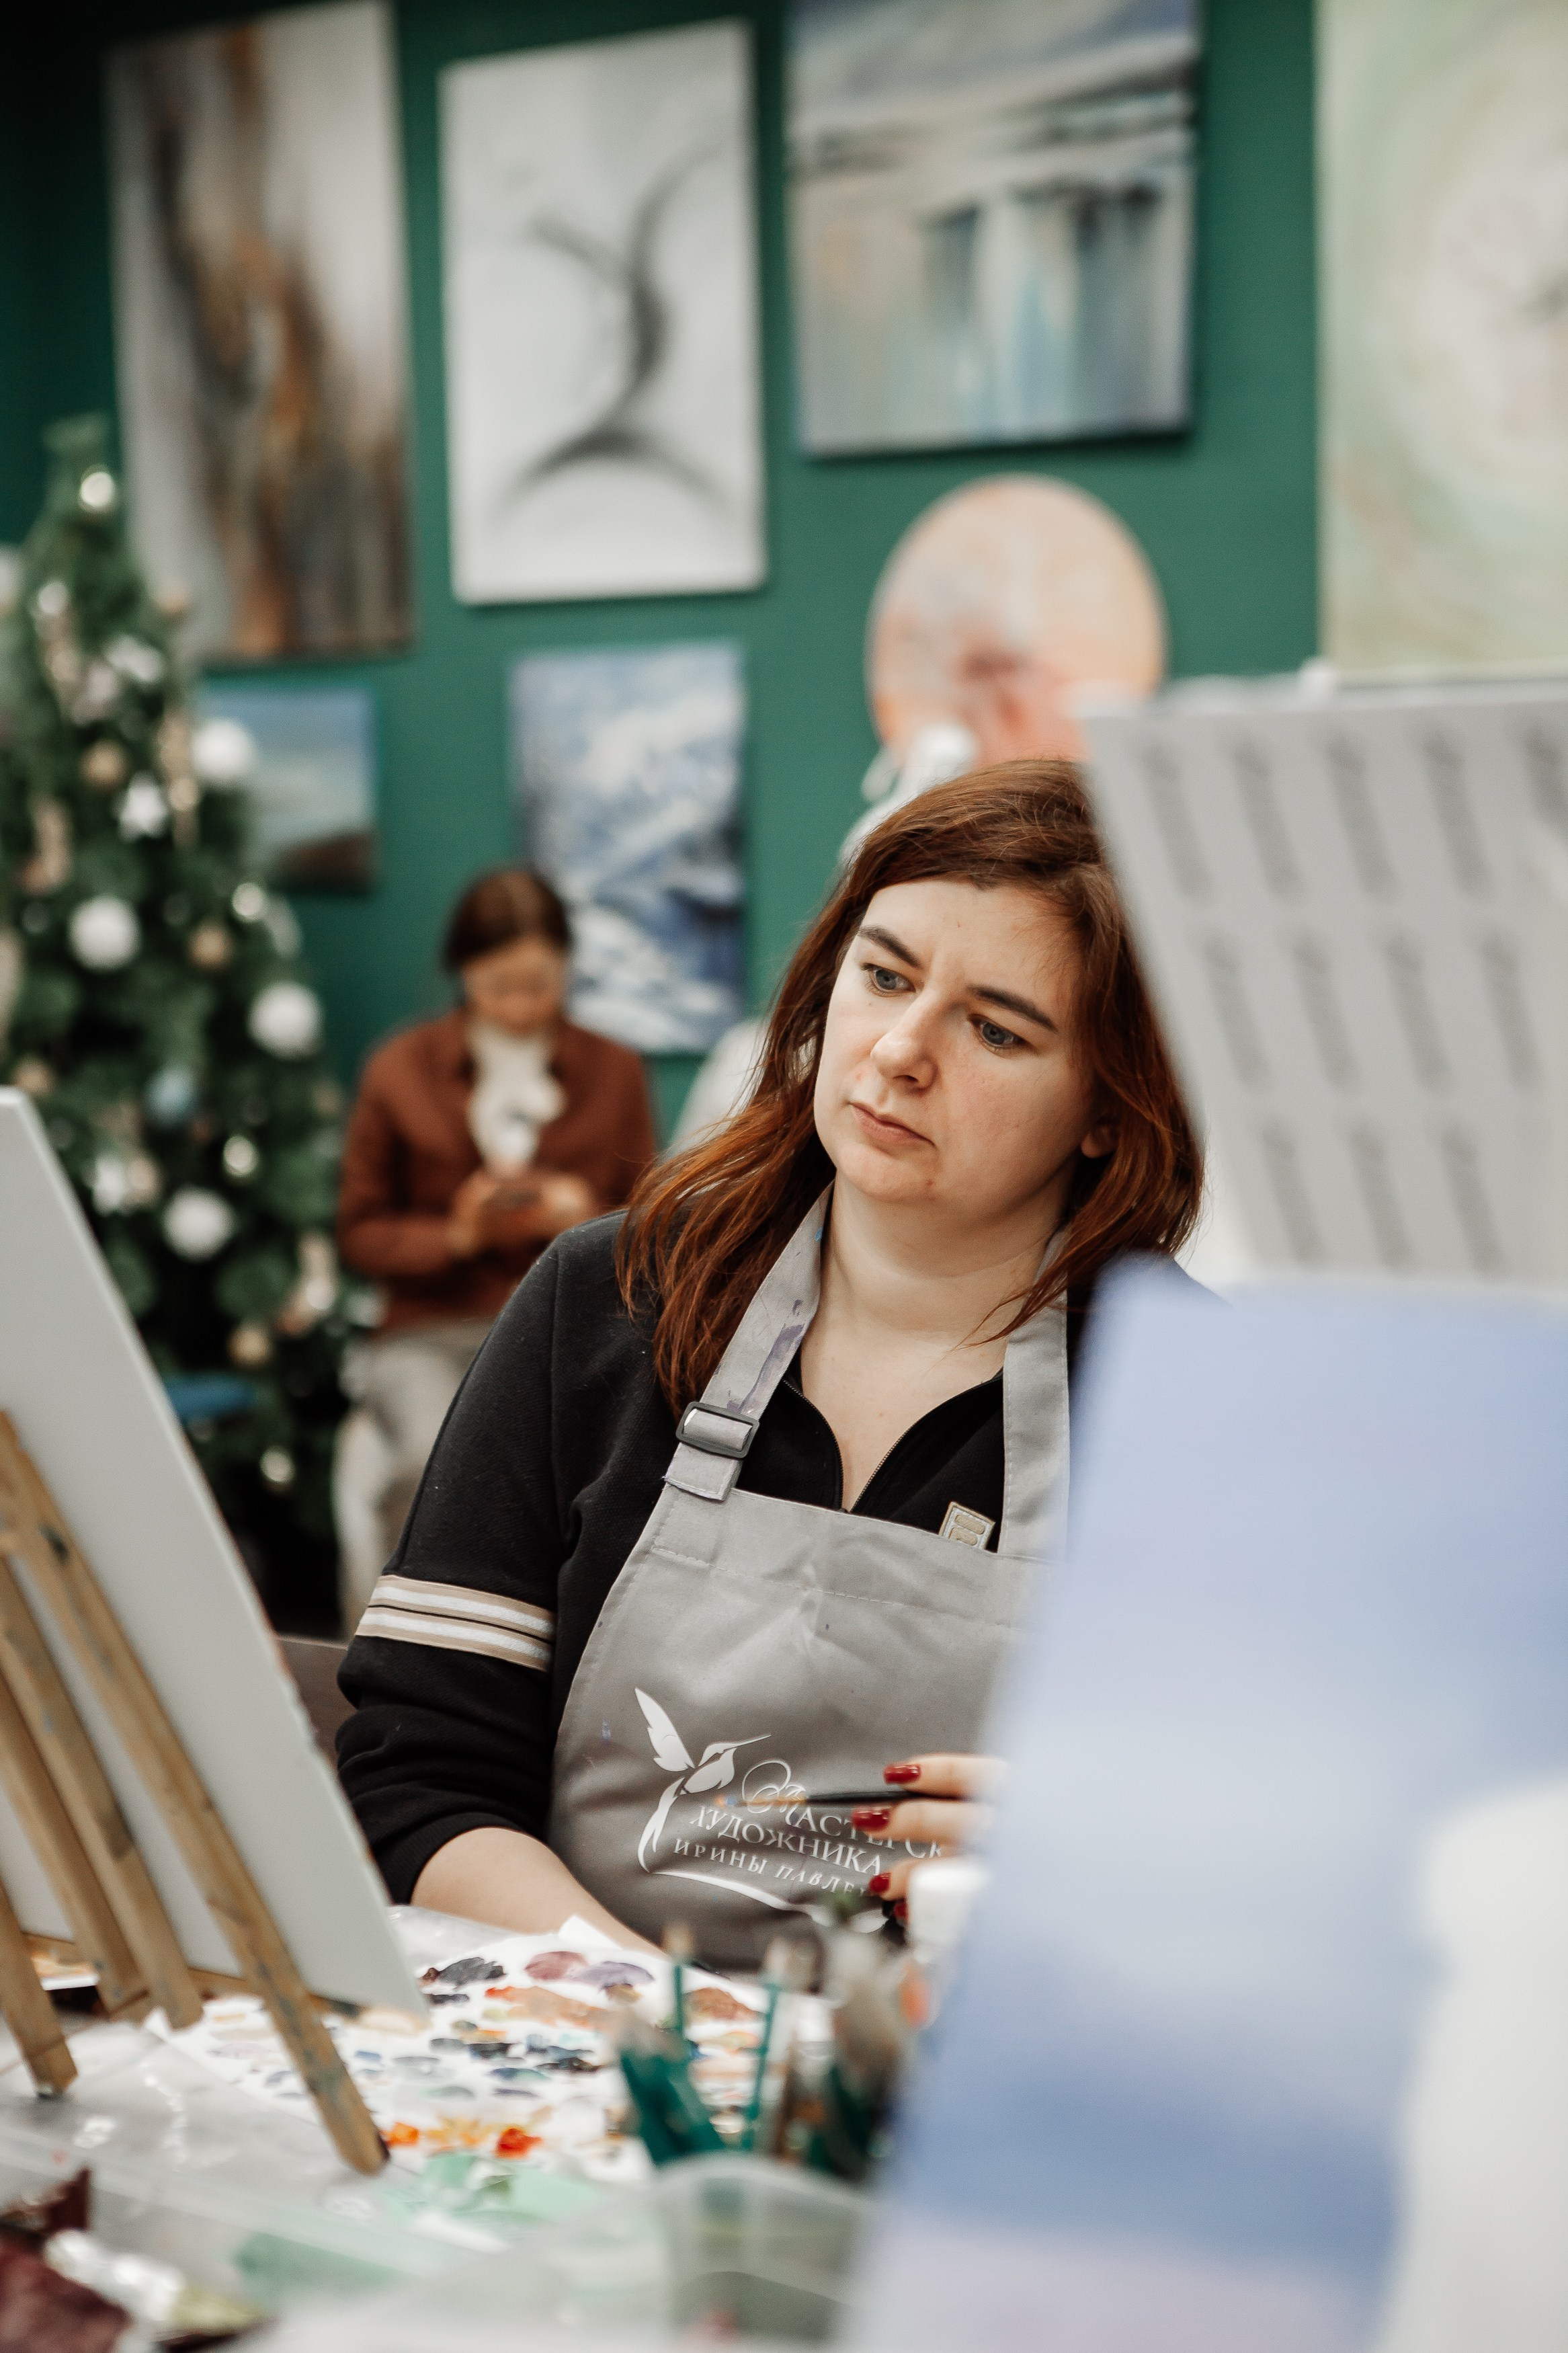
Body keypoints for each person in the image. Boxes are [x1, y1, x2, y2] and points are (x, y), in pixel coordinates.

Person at [337, 767, 1201, 1966]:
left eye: (995, 1028)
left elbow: (1264, 1884)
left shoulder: (1191, 1409)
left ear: (1109, 1105)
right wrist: (648, 2010)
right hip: (590, 2054)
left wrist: (1107, 1856)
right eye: (885, 975)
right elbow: (421, 1781)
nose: (899, 1050)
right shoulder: (602, 1306)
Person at [333, 867, 656, 1607]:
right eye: (499, 984)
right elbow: (361, 1232)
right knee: (429, 1460)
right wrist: (457, 1232)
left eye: (540, 983)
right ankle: (403, 1641)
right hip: (430, 1329)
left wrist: (583, 1213)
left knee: (607, 1473)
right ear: (463, 973)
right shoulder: (399, 1068)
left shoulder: (613, 1069)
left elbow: (654, 1223)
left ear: (568, 969)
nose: (520, 1005)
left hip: (576, 1328)